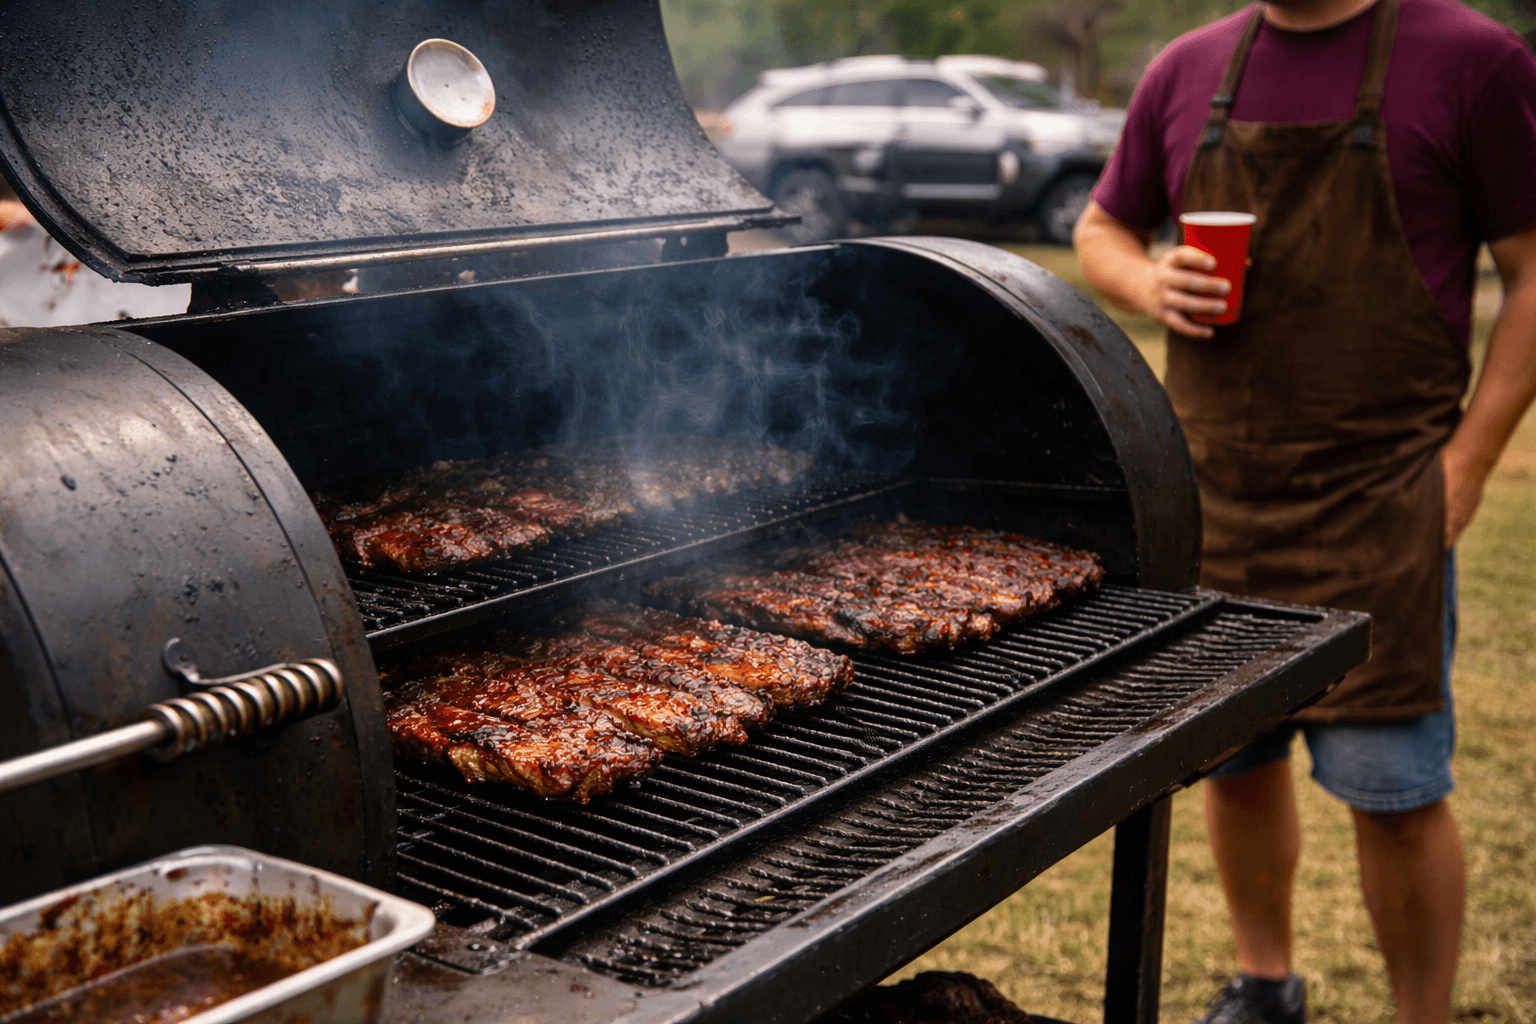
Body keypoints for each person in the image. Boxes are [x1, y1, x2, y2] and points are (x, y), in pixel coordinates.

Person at [1073, 0, 1536, 1021]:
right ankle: (1266, 984)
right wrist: (1148, 280)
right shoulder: (1186, 66)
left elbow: (1533, 270)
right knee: (1233, 764)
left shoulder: (1473, 60)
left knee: (1397, 792)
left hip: (1382, 507)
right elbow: (1099, 227)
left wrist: (1471, 461)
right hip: (1216, 497)